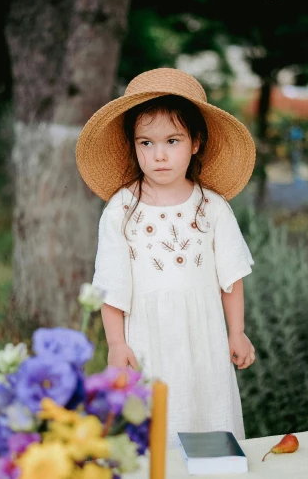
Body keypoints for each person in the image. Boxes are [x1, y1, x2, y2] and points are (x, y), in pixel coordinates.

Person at [75, 68, 256, 440]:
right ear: (133, 145)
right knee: (157, 427)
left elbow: (231, 277)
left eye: (172, 141)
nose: (159, 155)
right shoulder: (122, 210)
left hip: (204, 339)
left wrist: (236, 332)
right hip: (147, 340)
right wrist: (117, 344)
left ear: (195, 143)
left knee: (211, 417)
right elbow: (112, 285)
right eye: (146, 143)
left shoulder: (213, 207)